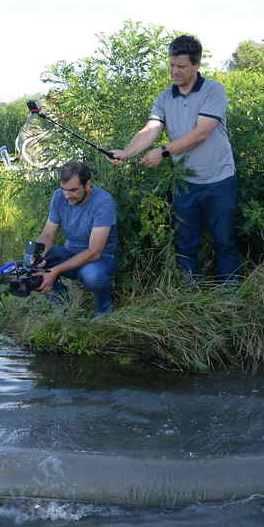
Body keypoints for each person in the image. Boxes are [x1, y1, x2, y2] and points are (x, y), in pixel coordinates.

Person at [110, 34, 239, 282]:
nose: (174, 71)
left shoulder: (214, 90)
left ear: (196, 65)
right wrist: (126, 153)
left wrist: (164, 151)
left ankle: (230, 294)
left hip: (219, 180)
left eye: (181, 66)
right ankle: (188, 294)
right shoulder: (164, 98)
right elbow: (151, 130)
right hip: (184, 184)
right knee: (185, 243)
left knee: (224, 241)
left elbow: (201, 133)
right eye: (171, 65)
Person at [32, 160, 118, 317]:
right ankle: (65, 306)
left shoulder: (103, 202)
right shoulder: (59, 196)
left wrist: (55, 270)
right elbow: (48, 234)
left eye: (73, 190)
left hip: (100, 260)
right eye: (64, 189)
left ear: (87, 185)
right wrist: (37, 256)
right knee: (29, 259)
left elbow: (94, 252)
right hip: (69, 254)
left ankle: (104, 310)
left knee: (91, 275)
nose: (67, 196)